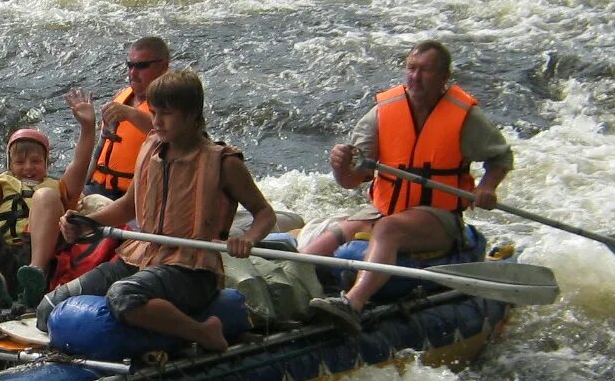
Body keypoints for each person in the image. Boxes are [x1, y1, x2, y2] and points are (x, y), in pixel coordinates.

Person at [37, 68, 276, 353]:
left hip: (191, 269)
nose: (157, 121)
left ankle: (204, 332)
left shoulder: (224, 162)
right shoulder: (151, 148)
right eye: (154, 111)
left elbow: (265, 214)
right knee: (48, 306)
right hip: (141, 256)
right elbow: (127, 206)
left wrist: (248, 238)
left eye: (166, 113)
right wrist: (87, 222)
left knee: (123, 295)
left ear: (190, 115)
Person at [301, 40, 513, 331]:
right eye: (411, 68)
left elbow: (501, 157)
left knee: (390, 229)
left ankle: (353, 304)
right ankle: (293, 292)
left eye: (425, 71)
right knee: (330, 237)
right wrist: (340, 167)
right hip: (386, 209)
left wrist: (487, 187)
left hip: (438, 217)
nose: (415, 77)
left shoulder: (465, 118)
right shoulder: (382, 113)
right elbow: (351, 181)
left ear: (443, 78)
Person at [0, 86, 97, 310]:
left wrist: (87, 128)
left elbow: (80, 164)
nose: (28, 168)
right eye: (19, 162)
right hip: (0, 255)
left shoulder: (59, 188)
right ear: (10, 165)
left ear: (46, 164)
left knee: (46, 195)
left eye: (36, 161)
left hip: (38, 259)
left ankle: (35, 278)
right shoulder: (0, 187)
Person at [87, 34, 170, 198]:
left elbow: (172, 136)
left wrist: (130, 114)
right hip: (98, 188)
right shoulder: (121, 98)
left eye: (141, 66)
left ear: (164, 67)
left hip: (136, 197)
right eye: (130, 65)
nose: (133, 72)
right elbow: (99, 150)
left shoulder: (173, 102)